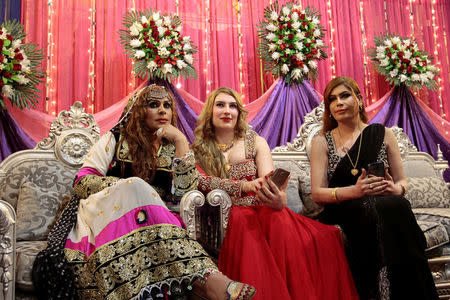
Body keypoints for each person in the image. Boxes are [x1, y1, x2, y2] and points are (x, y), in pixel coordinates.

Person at [32, 84, 256, 300]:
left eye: (167, 105)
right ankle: (213, 285)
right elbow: (82, 182)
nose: (162, 110)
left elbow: (184, 193)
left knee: (145, 200)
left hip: (152, 217)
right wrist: (127, 188)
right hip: (105, 212)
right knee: (136, 186)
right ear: (139, 111)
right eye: (153, 104)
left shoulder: (172, 146)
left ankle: (209, 284)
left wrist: (179, 140)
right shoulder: (116, 139)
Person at [192, 87, 359, 300]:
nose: (227, 110)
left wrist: (277, 198)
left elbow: (272, 185)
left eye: (233, 106)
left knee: (278, 219)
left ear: (239, 112)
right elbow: (201, 181)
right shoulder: (198, 149)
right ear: (210, 111)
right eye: (220, 105)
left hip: (265, 209)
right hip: (227, 215)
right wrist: (242, 187)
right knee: (242, 217)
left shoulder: (256, 142)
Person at [310, 76, 438, 300]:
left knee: (396, 203)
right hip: (343, 209)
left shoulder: (383, 134)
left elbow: (402, 182)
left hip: (386, 203)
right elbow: (318, 193)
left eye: (345, 95)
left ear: (359, 99)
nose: (338, 102)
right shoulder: (322, 141)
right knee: (373, 207)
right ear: (328, 108)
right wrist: (355, 192)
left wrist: (394, 188)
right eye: (332, 99)